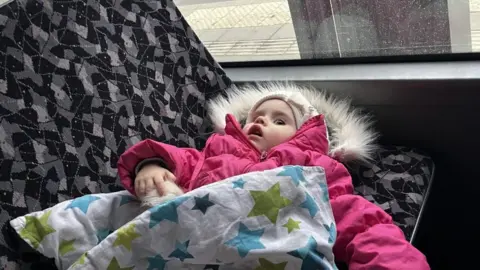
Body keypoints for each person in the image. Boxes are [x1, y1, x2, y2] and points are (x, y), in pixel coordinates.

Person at [117, 83, 430, 269]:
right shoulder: (215, 152)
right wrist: (150, 167)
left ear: (304, 133)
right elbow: (175, 160)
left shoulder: (314, 168)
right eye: (255, 117)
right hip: (200, 249)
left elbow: (362, 225)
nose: (261, 122)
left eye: (278, 120)